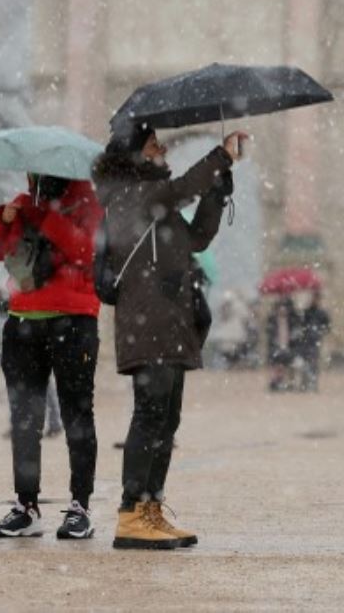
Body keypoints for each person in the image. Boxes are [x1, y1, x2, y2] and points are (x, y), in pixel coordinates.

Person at [92, 122, 246, 550]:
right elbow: (179, 190)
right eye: (154, 144)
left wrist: (217, 193)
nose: (162, 149)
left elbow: (195, 239)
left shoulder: (154, 198)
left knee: (167, 420)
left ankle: (151, 508)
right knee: (150, 416)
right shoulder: (130, 194)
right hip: (149, 321)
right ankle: (131, 513)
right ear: (135, 154)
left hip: (171, 321)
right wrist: (220, 159)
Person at [0, 171, 106, 541]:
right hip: (22, 321)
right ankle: (26, 506)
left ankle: (80, 506)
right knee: (24, 417)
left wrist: (49, 213)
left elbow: (85, 250)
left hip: (74, 320)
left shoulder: (89, 204)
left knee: (77, 413)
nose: (37, 178)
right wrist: (3, 217)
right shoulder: (22, 203)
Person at [298, 290, 331, 391]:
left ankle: (312, 383)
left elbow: (327, 327)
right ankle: (304, 383)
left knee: (313, 363)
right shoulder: (307, 312)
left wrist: (319, 331)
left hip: (315, 341)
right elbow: (302, 324)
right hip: (306, 341)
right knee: (305, 363)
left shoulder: (321, 313)